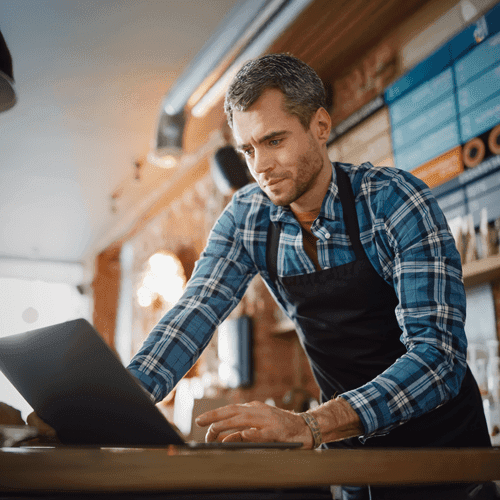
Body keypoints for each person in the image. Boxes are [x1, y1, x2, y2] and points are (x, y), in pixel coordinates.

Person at [19, 54, 494, 498]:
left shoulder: (394, 203)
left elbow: (438, 359)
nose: (260, 166)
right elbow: (193, 313)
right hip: (351, 463)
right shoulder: (248, 218)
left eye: (274, 140)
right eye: (247, 149)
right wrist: (106, 409)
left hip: (446, 455)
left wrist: (310, 425)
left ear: (320, 126)